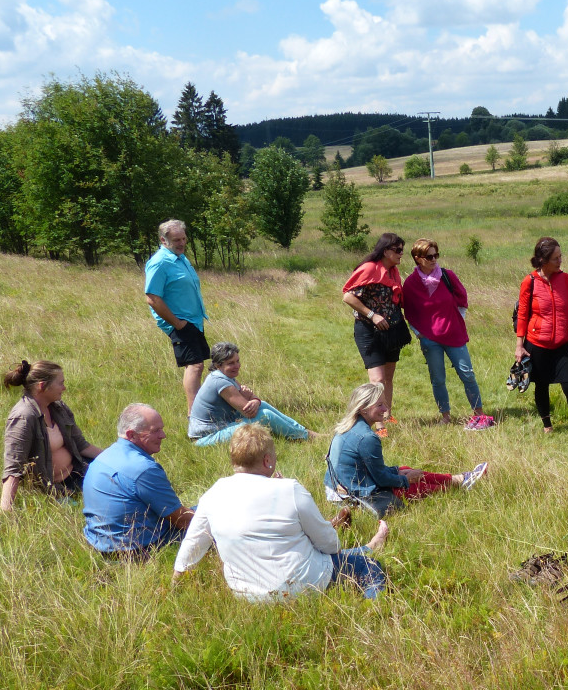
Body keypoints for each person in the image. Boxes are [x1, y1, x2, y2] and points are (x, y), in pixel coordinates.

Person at [172, 425, 389, 601]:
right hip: (302, 586)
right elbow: (330, 546)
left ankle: (368, 547)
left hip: (245, 595)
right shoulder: (290, 489)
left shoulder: (213, 493)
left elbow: (192, 544)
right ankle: (372, 609)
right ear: (268, 460)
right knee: (369, 568)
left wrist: (175, 585)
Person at [325, 383, 488, 517]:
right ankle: (454, 485)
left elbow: (370, 470)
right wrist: (406, 480)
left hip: (337, 488)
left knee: (405, 470)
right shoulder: (367, 437)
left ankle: (458, 479)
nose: (385, 409)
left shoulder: (347, 426)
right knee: (414, 484)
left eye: (385, 403)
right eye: (380, 405)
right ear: (363, 408)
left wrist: (398, 472)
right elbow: (381, 479)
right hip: (350, 495)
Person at [401, 238, 494, 430]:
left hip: (454, 335)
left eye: (436, 255)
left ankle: (479, 414)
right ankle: (445, 416)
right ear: (418, 259)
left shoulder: (447, 276)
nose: (434, 259)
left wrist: (458, 319)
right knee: (438, 378)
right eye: (429, 256)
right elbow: (408, 311)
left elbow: (462, 297)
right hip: (429, 339)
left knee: (467, 374)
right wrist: (419, 333)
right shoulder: (411, 283)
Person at [83, 404, 195, 555]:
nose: (163, 435)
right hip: (139, 549)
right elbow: (182, 520)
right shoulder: (144, 470)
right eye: (155, 431)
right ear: (132, 435)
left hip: (99, 544)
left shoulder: (102, 458)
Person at [514, 237, 568, 440]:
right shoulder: (529, 282)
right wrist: (519, 345)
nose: (560, 261)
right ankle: (547, 424)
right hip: (536, 343)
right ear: (543, 260)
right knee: (541, 385)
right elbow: (522, 315)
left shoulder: (566, 280)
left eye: (560, 256)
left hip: (561, 345)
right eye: (556, 258)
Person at [1, 359, 103, 511]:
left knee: (119, 483)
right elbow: (13, 468)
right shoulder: (23, 417)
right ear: (42, 386)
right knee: (82, 509)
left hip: (78, 471)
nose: (64, 388)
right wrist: (6, 509)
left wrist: (116, 458)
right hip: (54, 488)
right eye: (60, 383)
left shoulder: (58, 407)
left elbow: (81, 445)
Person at [187, 342, 316, 446]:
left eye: (237, 361)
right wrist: (251, 399)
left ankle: (303, 432)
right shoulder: (220, 381)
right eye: (231, 363)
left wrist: (255, 401)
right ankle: (304, 437)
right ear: (217, 365)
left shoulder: (224, 376)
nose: (237, 366)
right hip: (205, 438)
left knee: (262, 405)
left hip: (220, 426)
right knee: (265, 416)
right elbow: (249, 411)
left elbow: (251, 401)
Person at [342, 233, 411, 418]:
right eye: (397, 250)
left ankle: (387, 416)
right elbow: (348, 296)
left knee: (388, 378)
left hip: (390, 331)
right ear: (385, 250)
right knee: (377, 380)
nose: (401, 254)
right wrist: (372, 315)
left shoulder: (393, 271)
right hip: (369, 331)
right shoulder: (369, 269)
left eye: (402, 250)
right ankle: (378, 422)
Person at [145, 219, 209, 414]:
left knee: (198, 365)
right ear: (164, 241)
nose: (181, 243)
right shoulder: (159, 262)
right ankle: (195, 416)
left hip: (193, 321)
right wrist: (178, 324)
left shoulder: (180, 258)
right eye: (176, 240)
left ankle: (199, 411)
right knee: (195, 365)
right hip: (181, 322)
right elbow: (152, 298)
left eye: (183, 238)